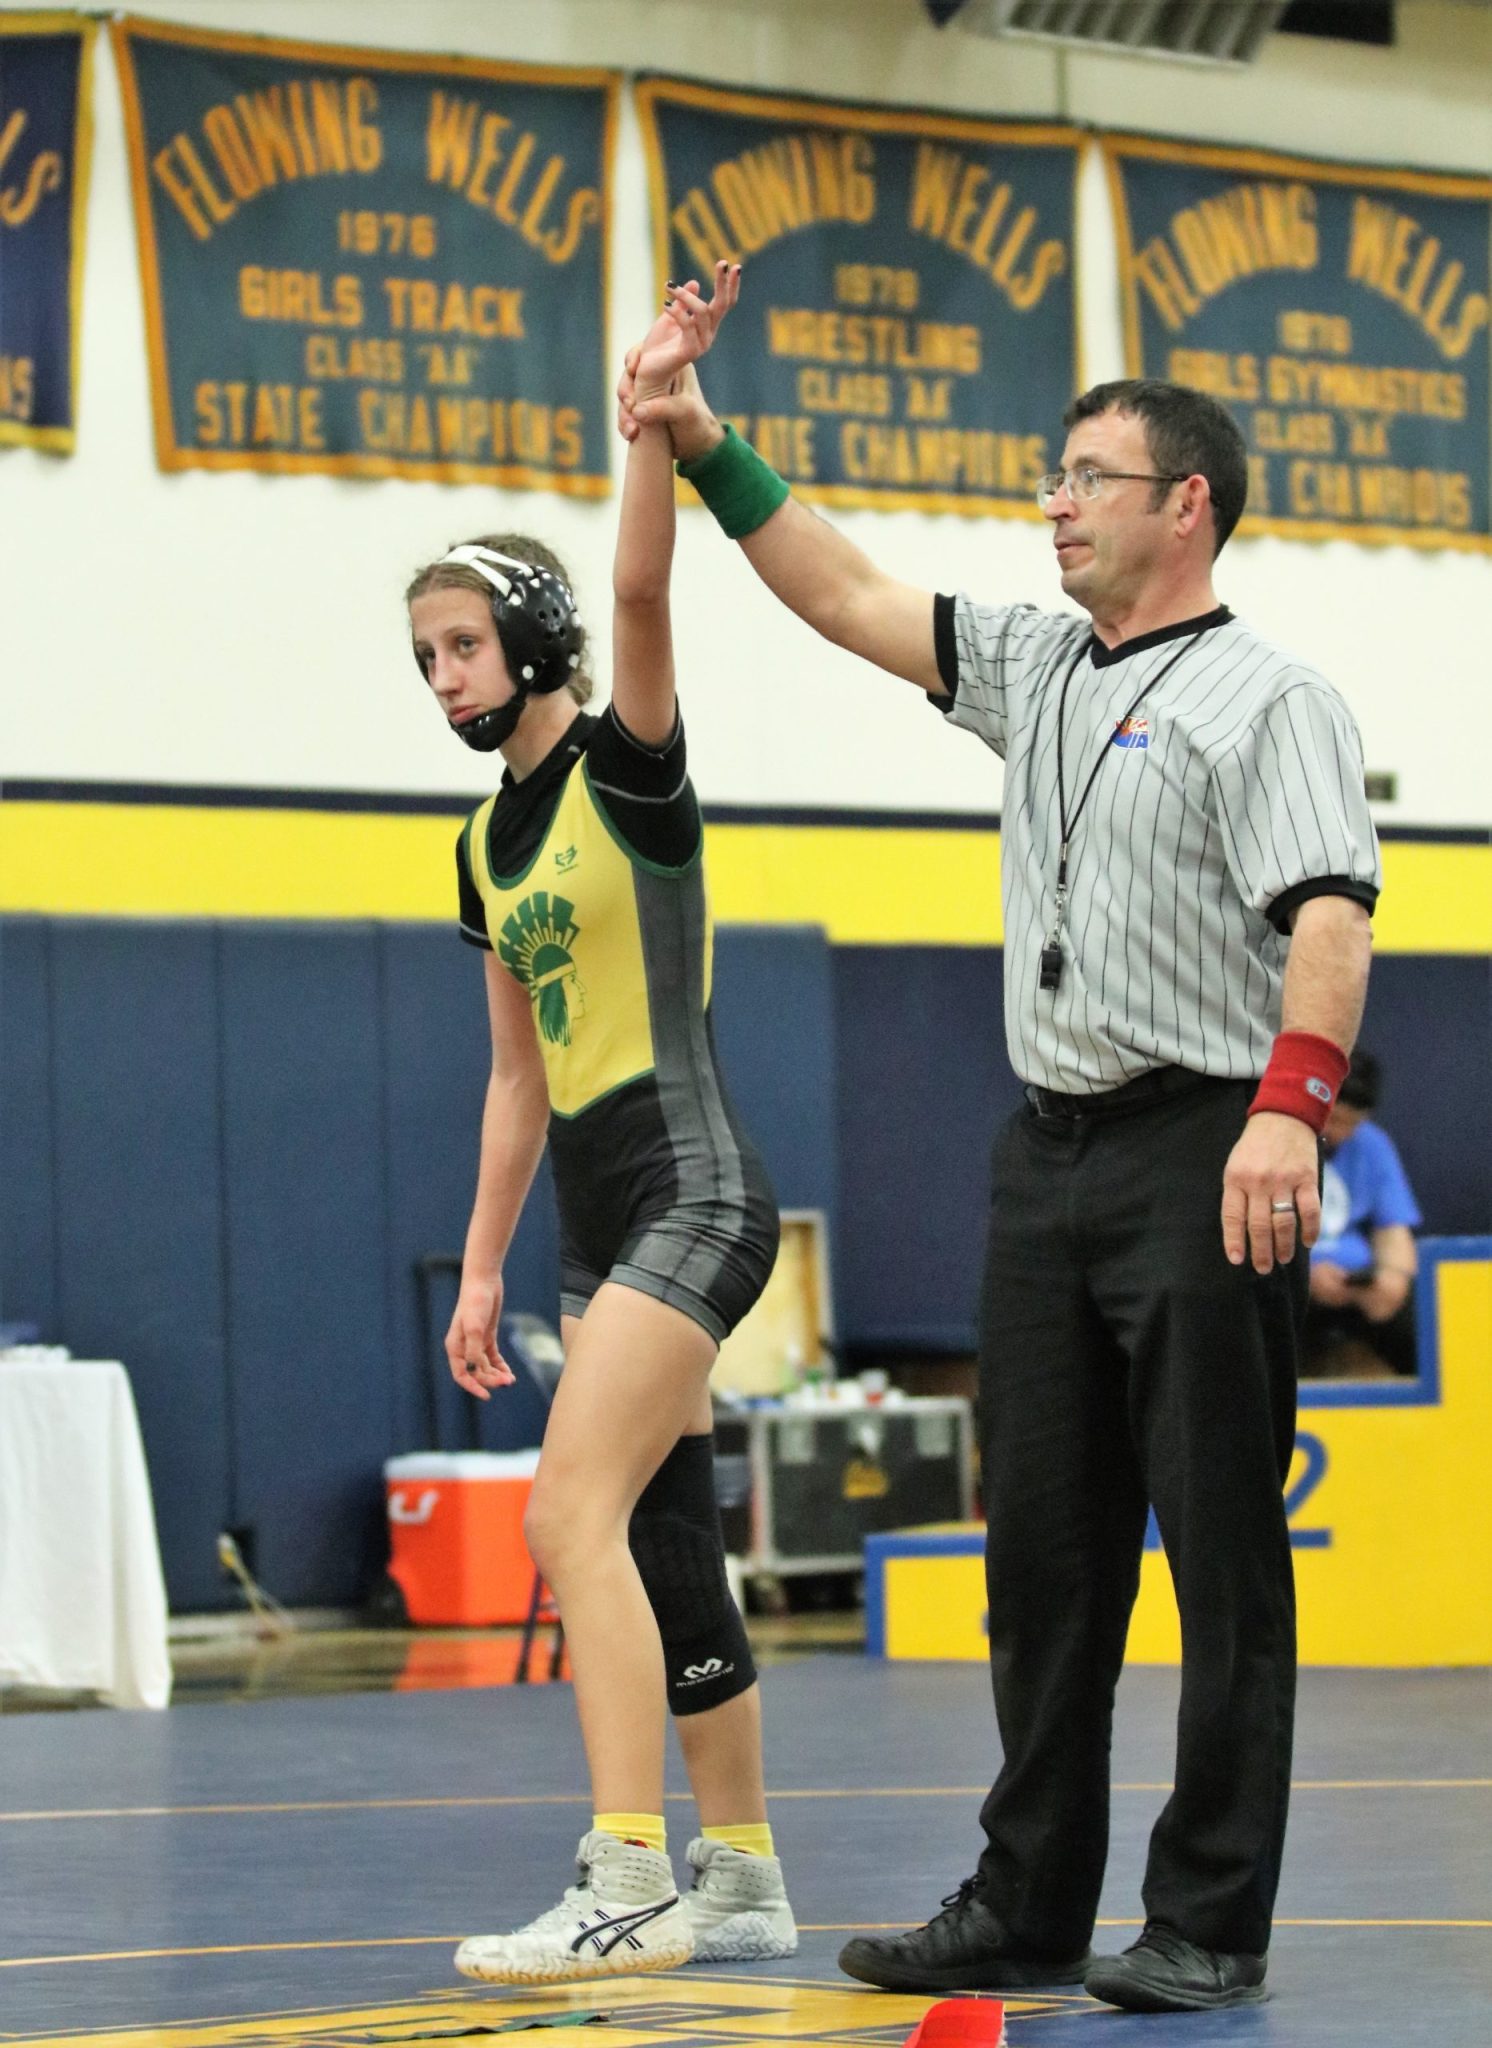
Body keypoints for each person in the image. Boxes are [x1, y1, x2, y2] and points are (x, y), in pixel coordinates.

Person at [620, 293, 1380, 2012]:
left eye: (1090, 478)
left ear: (1186, 505)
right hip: (1045, 1159)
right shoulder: (1035, 663)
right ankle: (1027, 1902)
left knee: (1220, 1557)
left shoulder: (1273, 698)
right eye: (1055, 474)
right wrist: (697, 435)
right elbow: (841, 593)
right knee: (1038, 1558)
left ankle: (1208, 1916)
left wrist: (1288, 1105)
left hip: (1203, 1140)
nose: (1056, 502)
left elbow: (1329, 916)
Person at [408, 270, 796, 1985]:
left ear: (536, 643)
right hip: (590, 1214)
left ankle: (624, 1871)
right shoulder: (480, 847)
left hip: (692, 1187)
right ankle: (744, 1874)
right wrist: (482, 1270)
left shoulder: (626, 768)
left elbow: (643, 582)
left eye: (463, 645)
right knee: (657, 1533)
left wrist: (650, 414)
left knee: (566, 1515)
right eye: (425, 657)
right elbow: (516, 1075)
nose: (442, 677)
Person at [1305, 1050, 1421, 1377]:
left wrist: (1393, 1279)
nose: (1341, 1133)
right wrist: (1303, 1274)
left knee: (1421, 1316)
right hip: (1293, 1284)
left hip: (1357, 1284)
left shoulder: (1372, 1145)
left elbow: (1393, 1229)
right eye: (1334, 1120)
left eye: (1353, 1123)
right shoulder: (1285, 1142)